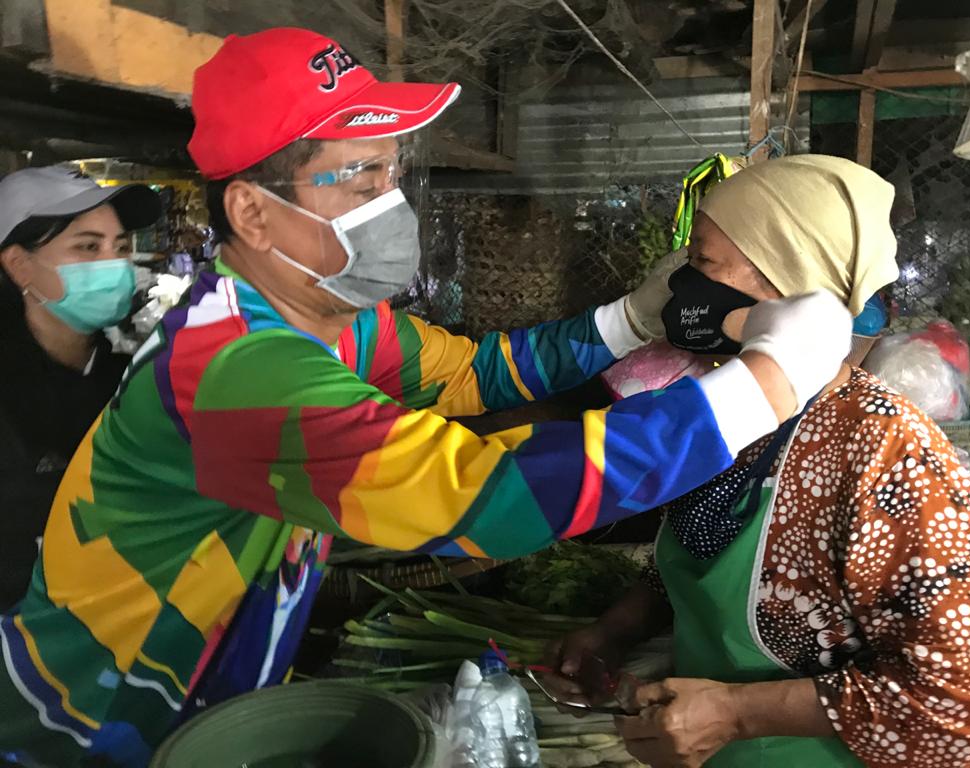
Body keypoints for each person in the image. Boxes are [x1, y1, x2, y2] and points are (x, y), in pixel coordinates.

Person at [0, 30, 853, 767]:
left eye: (391, 172)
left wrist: (629, 321)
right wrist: (764, 385)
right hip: (91, 719)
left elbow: (475, 374)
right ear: (253, 214)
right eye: (357, 177)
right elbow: (479, 494)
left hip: (206, 686)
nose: (390, 204)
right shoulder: (234, 368)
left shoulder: (329, 315)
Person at [547, 155, 970, 768]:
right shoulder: (730, 405)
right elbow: (697, 553)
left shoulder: (885, 449)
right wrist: (611, 634)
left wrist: (735, 713)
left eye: (701, 263)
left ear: (787, 282)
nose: (680, 287)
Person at [0, 167, 161, 611]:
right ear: (18, 265)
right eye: (88, 246)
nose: (113, 263)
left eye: (121, 247)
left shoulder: (132, 377)